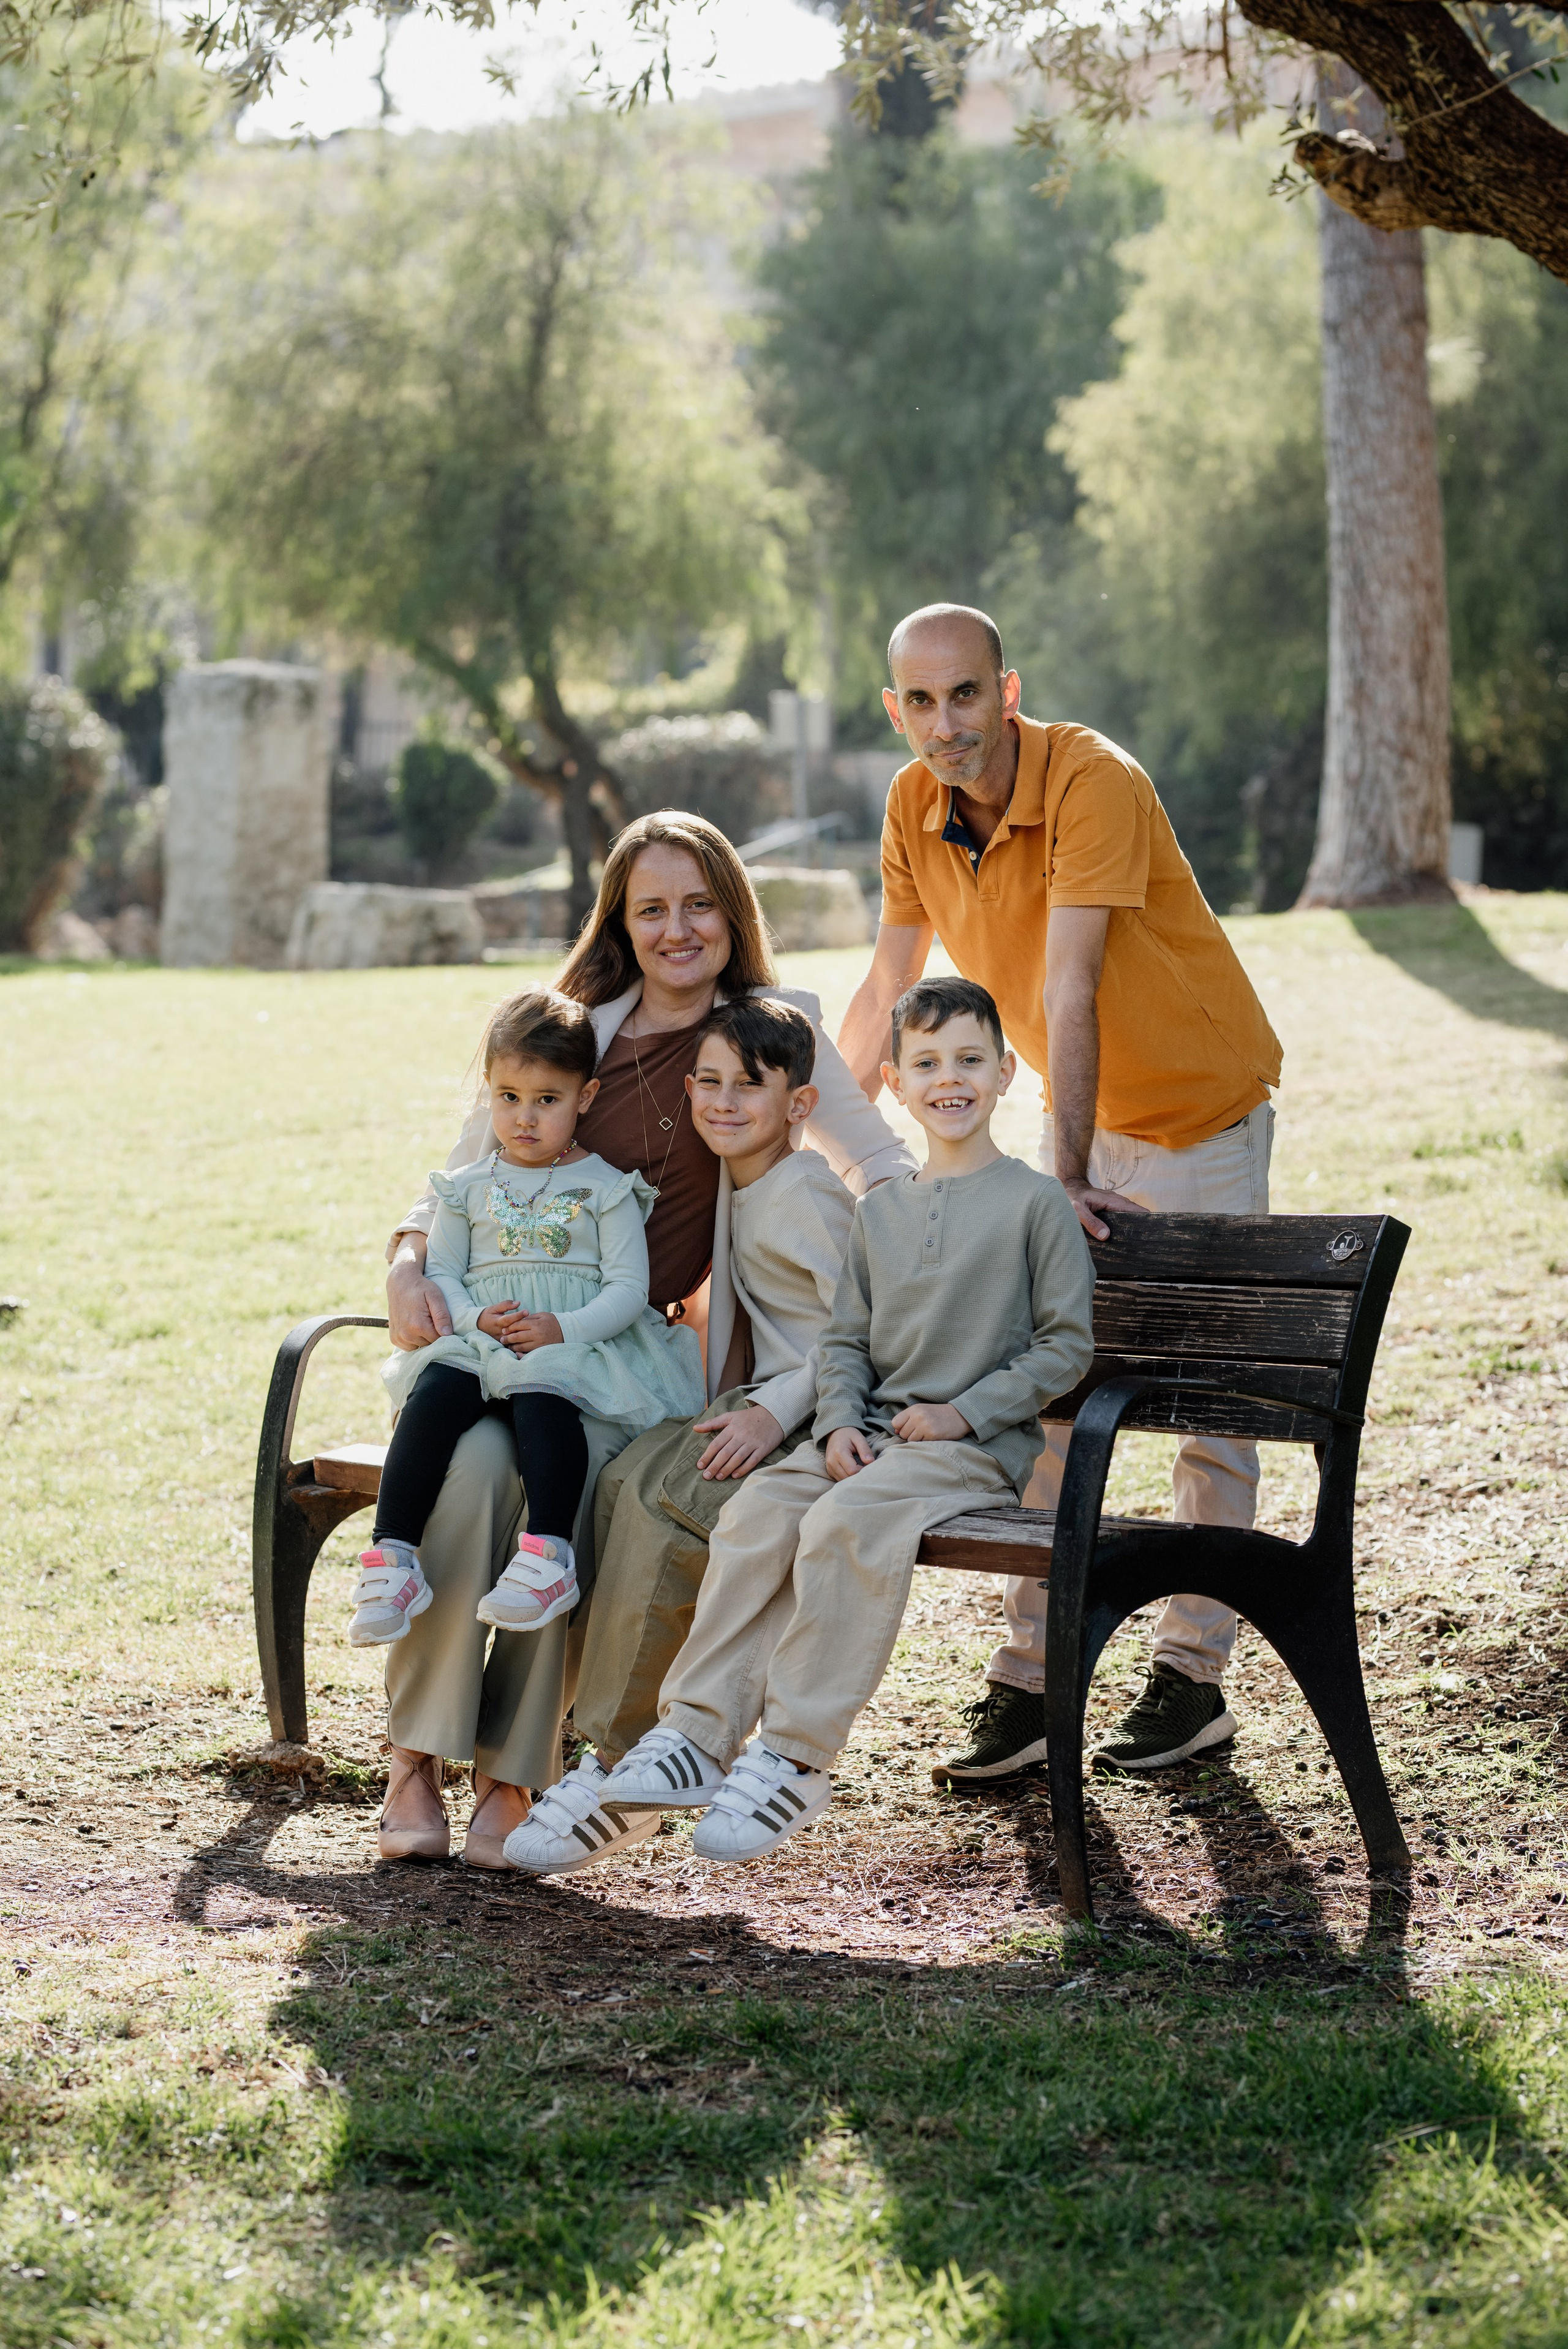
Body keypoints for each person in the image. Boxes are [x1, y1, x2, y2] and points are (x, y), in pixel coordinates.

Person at [374, 811, 913, 1869]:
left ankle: (510, 1773)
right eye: (651, 908)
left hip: (627, 1363)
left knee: (555, 1498)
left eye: (700, 903)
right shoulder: (573, 1029)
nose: (678, 929)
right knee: (471, 1480)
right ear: (620, 920)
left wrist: (981, 1229)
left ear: (733, 911)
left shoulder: (773, 1027)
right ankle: (411, 1758)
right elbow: (458, 1168)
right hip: (496, 1338)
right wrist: (404, 1260)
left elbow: (883, 1168)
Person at [837, 602, 1284, 1784]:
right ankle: (1031, 1688)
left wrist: (1064, 1171)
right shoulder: (909, 807)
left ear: (1008, 689)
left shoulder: (1094, 780)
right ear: (897, 709)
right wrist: (817, 1133)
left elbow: (1069, 986)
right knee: (1039, 1392)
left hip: (1195, 1118)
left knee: (1205, 1409)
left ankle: (1190, 1681)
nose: (947, 723)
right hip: (1083, 1127)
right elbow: (891, 981)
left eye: (967, 695)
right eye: (921, 702)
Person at [603, 978, 1096, 1863]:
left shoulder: (1034, 1204)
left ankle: (796, 1754)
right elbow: (843, 1341)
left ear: (1007, 1071)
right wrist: (835, 1424)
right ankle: (695, 1733)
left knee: (842, 1522)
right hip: (869, 1435)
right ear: (894, 1081)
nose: (951, 1079)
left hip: (971, 1450)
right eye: (928, 1062)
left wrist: (964, 1411)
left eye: (971, 1059)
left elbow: (1065, 1348)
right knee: (758, 1513)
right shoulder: (881, 1209)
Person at [503, 994, 855, 1875]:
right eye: (707, 1081)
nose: (723, 1101)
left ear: (798, 1104)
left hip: (819, 1408)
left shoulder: (808, 1191)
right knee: (624, 1479)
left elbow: (868, 1330)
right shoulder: (745, 1175)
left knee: (673, 1500)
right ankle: (614, 1752)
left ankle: (619, 1759)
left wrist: (776, 1410)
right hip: (760, 1395)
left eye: (748, 1084)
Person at [350, 989, 703, 1659]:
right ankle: (391, 1553)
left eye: (548, 1099)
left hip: (568, 1340)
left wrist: (563, 1330)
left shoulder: (607, 1188)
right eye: (509, 1097)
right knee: (437, 1391)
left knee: (545, 1394)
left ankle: (548, 1555)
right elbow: (445, 1271)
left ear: (586, 1097)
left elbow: (629, 1289)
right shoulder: (466, 1187)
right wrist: (473, 1315)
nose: (525, 1117)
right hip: (483, 1336)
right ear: (489, 1092)